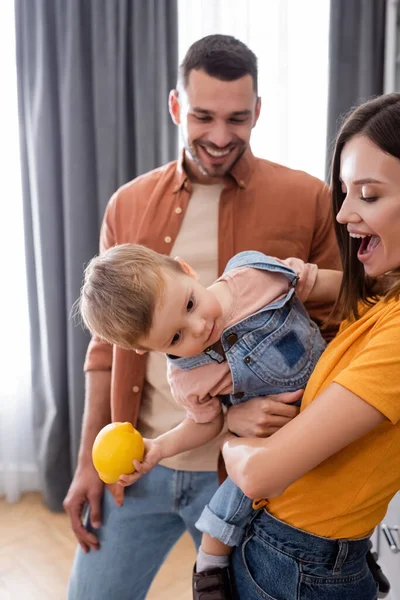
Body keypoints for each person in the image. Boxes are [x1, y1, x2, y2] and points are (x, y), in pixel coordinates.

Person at [65, 34, 340, 600]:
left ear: (258, 111)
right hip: (142, 465)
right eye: (202, 116)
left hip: (250, 473)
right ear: (175, 107)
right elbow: (105, 349)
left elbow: (339, 335)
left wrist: (268, 416)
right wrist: (88, 461)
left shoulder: (307, 197)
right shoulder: (127, 204)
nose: (219, 136)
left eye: (237, 118)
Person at [217, 92, 400, 600]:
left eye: (368, 194)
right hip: (291, 552)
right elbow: (357, 292)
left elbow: (259, 475)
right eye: (344, 192)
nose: (343, 215)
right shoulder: (386, 298)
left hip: (302, 566)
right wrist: (298, 278)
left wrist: (227, 434)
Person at [78, 243, 342, 595]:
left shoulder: (252, 276)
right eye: (175, 337)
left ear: (185, 269)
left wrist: (379, 293)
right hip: (279, 438)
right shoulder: (187, 376)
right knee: (236, 499)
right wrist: (158, 447)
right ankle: (209, 569)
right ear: (145, 349)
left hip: (338, 395)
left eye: (189, 304)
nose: (199, 327)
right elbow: (207, 422)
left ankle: (357, 557)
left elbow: (324, 285)